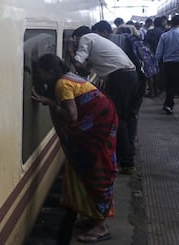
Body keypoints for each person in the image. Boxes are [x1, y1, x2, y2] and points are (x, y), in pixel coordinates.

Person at [31, 53, 118, 243]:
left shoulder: (62, 85)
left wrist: (50, 103)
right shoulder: (69, 76)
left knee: (95, 173)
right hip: (103, 123)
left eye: (41, 73)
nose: (39, 77)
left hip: (95, 131)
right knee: (95, 171)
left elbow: (71, 115)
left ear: (51, 71)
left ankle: (100, 226)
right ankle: (94, 217)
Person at [71, 26, 140, 175]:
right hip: (131, 76)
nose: (75, 43)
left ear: (77, 36)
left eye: (74, 40)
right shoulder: (99, 41)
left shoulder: (86, 38)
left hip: (120, 78)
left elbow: (77, 63)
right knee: (125, 118)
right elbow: (87, 70)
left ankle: (127, 163)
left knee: (118, 119)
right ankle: (127, 154)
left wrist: (71, 50)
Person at [155, 15, 179, 114]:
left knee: (170, 85)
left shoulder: (164, 36)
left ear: (171, 23)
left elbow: (159, 52)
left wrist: (156, 64)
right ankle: (168, 104)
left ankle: (168, 105)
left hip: (168, 64)